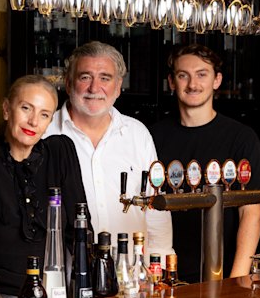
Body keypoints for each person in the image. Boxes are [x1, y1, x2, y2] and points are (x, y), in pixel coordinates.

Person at [0, 75, 89, 297]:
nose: (33, 121)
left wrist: (88, 293)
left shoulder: (60, 152)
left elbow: (80, 232)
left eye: (44, 114)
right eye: (26, 108)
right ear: (6, 109)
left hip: (52, 295)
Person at [149, 43, 260, 283]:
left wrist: (236, 280)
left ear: (217, 80)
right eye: (184, 76)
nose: (193, 84)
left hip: (224, 274)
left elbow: (251, 213)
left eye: (202, 74)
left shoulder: (241, 137)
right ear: (172, 82)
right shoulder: (151, 136)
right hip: (163, 276)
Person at [44, 41, 173, 261]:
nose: (94, 88)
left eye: (105, 78)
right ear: (67, 83)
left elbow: (155, 208)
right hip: (65, 279)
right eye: (85, 77)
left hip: (131, 275)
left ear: (118, 85)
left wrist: (157, 265)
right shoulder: (45, 133)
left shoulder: (137, 133)